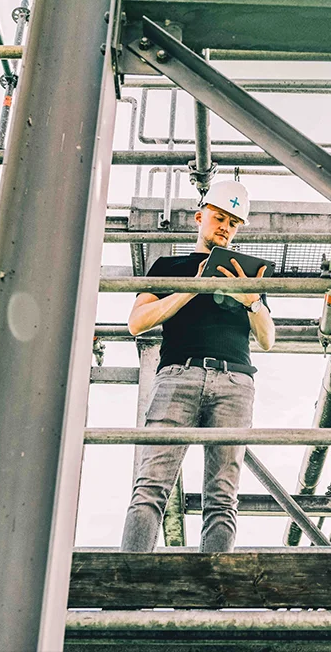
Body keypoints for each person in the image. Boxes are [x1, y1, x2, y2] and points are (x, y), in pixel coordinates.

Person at [121, 180, 275, 552]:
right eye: (219, 217)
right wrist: (193, 286)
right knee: (152, 484)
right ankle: (128, 582)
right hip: (178, 375)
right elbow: (137, 322)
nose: (224, 227)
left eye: (233, 222)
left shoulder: (246, 274)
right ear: (199, 217)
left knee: (222, 496)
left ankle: (213, 596)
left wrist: (252, 299)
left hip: (235, 381)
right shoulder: (168, 266)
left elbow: (268, 339)